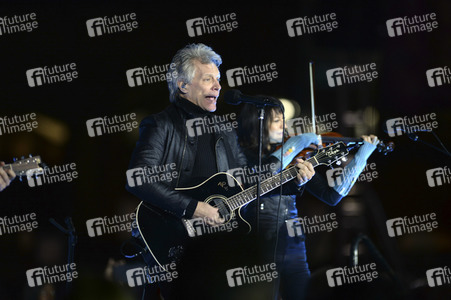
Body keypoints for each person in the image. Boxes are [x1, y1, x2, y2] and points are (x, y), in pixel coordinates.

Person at [237, 97, 379, 300]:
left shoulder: (296, 157)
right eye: (277, 120)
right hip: (258, 249)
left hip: (293, 248)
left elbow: (332, 197)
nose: (284, 126)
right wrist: (295, 144)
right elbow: (258, 180)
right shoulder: (242, 154)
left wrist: (361, 158)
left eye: (283, 120)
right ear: (257, 122)